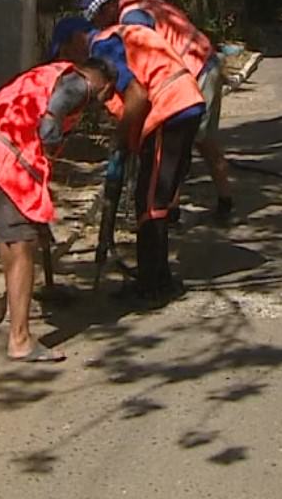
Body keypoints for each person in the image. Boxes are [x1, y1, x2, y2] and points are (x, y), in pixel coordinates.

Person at [0, 59, 115, 361]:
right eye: (107, 96)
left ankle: (18, 318)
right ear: (103, 84)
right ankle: (20, 339)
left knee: (12, 239)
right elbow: (54, 116)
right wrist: (51, 140)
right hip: (2, 157)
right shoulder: (79, 83)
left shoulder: (47, 73)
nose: (104, 104)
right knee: (22, 244)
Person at [75, 0, 234, 221]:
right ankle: (171, 207)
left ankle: (222, 201)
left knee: (197, 140)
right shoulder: (131, 2)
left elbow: (139, 52)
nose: (98, 24)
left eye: (97, 17)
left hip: (196, 66)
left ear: (108, 6)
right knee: (180, 143)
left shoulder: (132, 16)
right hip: (187, 68)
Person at [85, 18, 207, 302]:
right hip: (183, 102)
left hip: (170, 108)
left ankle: (152, 285)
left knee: (151, 201)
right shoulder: (120, 35)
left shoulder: (102, 47)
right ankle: (157, 276)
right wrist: (131, 143)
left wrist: (121, 137)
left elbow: (138, 94)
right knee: (154, 198)